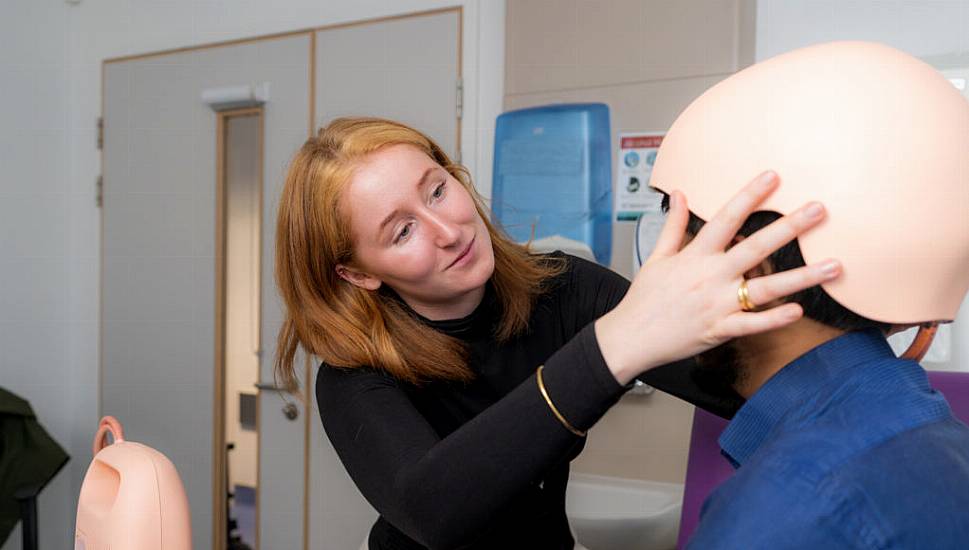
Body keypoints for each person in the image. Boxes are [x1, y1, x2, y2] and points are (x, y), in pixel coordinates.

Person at [272, 116, 839, 549]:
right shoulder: (354, 381)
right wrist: (615, 347)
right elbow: (432, 509)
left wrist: (851, 317)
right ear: (359, 273)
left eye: (438, 189)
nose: (449, 230)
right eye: (402, 231)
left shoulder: (563, 291)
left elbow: (735, 384)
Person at [647, 41, 969, 548]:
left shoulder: (783, 508)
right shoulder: (939, 438)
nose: (659, 271)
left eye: (680, 231)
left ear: (750, 259)